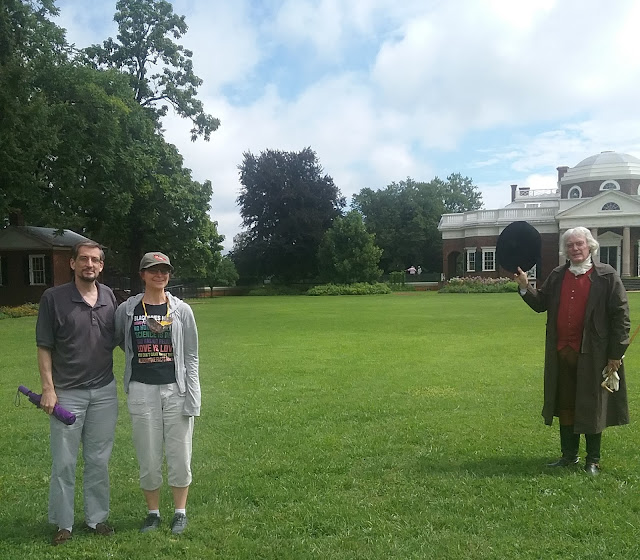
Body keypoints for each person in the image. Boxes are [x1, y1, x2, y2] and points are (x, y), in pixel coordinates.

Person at [514, 227, 630, 475]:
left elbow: (621, 316)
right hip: (562, 353)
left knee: (592, 405)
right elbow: (541, 303)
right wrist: (525, 287)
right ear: (565, 249)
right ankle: (569, 456)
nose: (575, 249)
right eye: (570, 245)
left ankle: (593, 460)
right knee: (565, 404)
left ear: (590, 246)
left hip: (595, 354)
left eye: (579, 244)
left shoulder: (607, 276)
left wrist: (616, 353)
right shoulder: (558, 275)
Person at [36, 241, 118, 546]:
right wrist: (48, 389)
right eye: (83, 259)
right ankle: (64, 523)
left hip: (104, 393)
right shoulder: (53, 298)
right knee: (65, 461)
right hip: (67, 395)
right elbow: (44, 345)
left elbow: (120, 338)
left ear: (101, 266)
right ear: (72, 263)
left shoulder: (109, 296)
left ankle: (97, 519)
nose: (89, 264)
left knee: (99, 459)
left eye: (95, 260)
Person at [114, 252, 200, 535]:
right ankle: (153, 513)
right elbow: (120, 341)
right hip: (141, 390)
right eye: (153, 270)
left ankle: (179, 512)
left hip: (175, 390)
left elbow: (191, 356)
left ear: (169, 275)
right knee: (148, 455)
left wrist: (193, 397)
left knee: (179, 453)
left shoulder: (181, 311)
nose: (159, 275)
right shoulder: (127, 310)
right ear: (142, 274)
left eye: (164, 270)